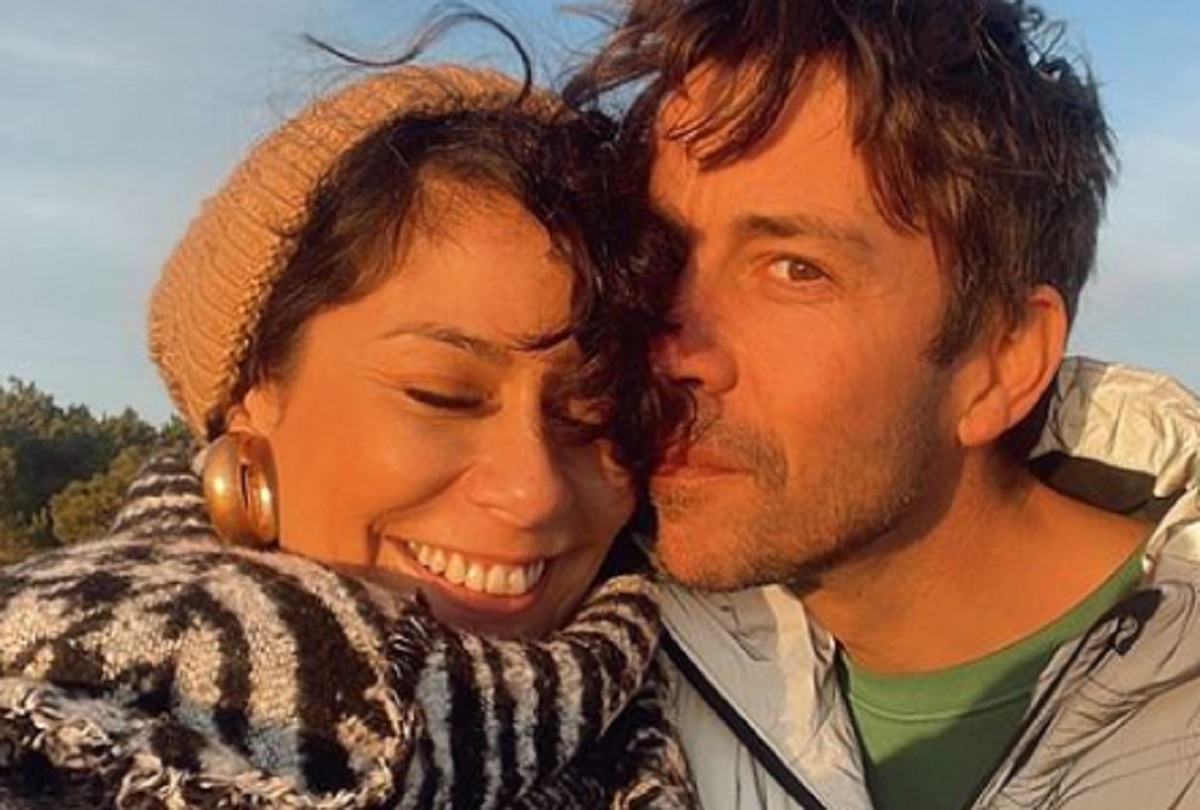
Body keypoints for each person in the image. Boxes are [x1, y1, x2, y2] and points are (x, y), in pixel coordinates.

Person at [0, 62, 696, 809]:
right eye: (442, 394)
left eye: (596, 415)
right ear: (253, 393)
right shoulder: (51, 715)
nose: (534, 492)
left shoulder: (701, 696)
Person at [566, 0, 1200, 808]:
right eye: (658, 253)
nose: (671, 350)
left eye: (795, 269)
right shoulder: (604, 650)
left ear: (1003, 359)